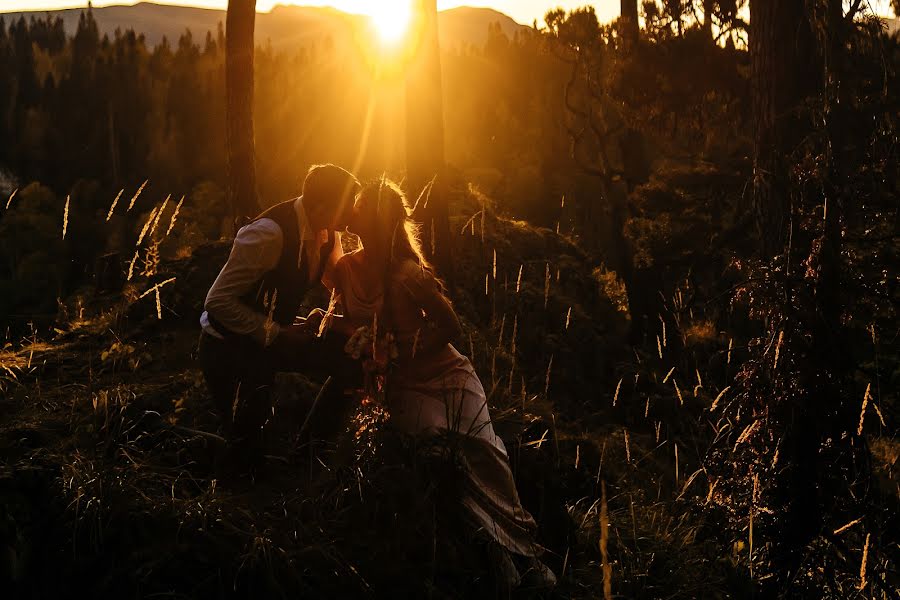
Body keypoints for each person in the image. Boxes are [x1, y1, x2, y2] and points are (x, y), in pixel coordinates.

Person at [326, 178, 557, 591]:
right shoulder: (345, 268)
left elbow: (450, 326)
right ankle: (495, 553)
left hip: (447, 376)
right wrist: (345, 335)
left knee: (487, 452)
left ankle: (527, 552)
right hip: (404, 388)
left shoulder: (407, 275)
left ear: (379, 220)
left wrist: (399, 351)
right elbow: (341, 318)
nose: (354, 211)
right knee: (438, 446)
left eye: (362, 207)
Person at [198, 164, 362, 473]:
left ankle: (308, 459)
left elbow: (339, 285)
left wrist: (325, 318)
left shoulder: (328, 233)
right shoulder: (268, 234)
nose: (352, 214)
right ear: (322, 207)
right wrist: (277, 331)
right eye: (347, 205)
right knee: (247, 453)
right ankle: (210, 463)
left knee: (347, 361)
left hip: (272, 340)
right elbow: (216, 301)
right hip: (227, 349)